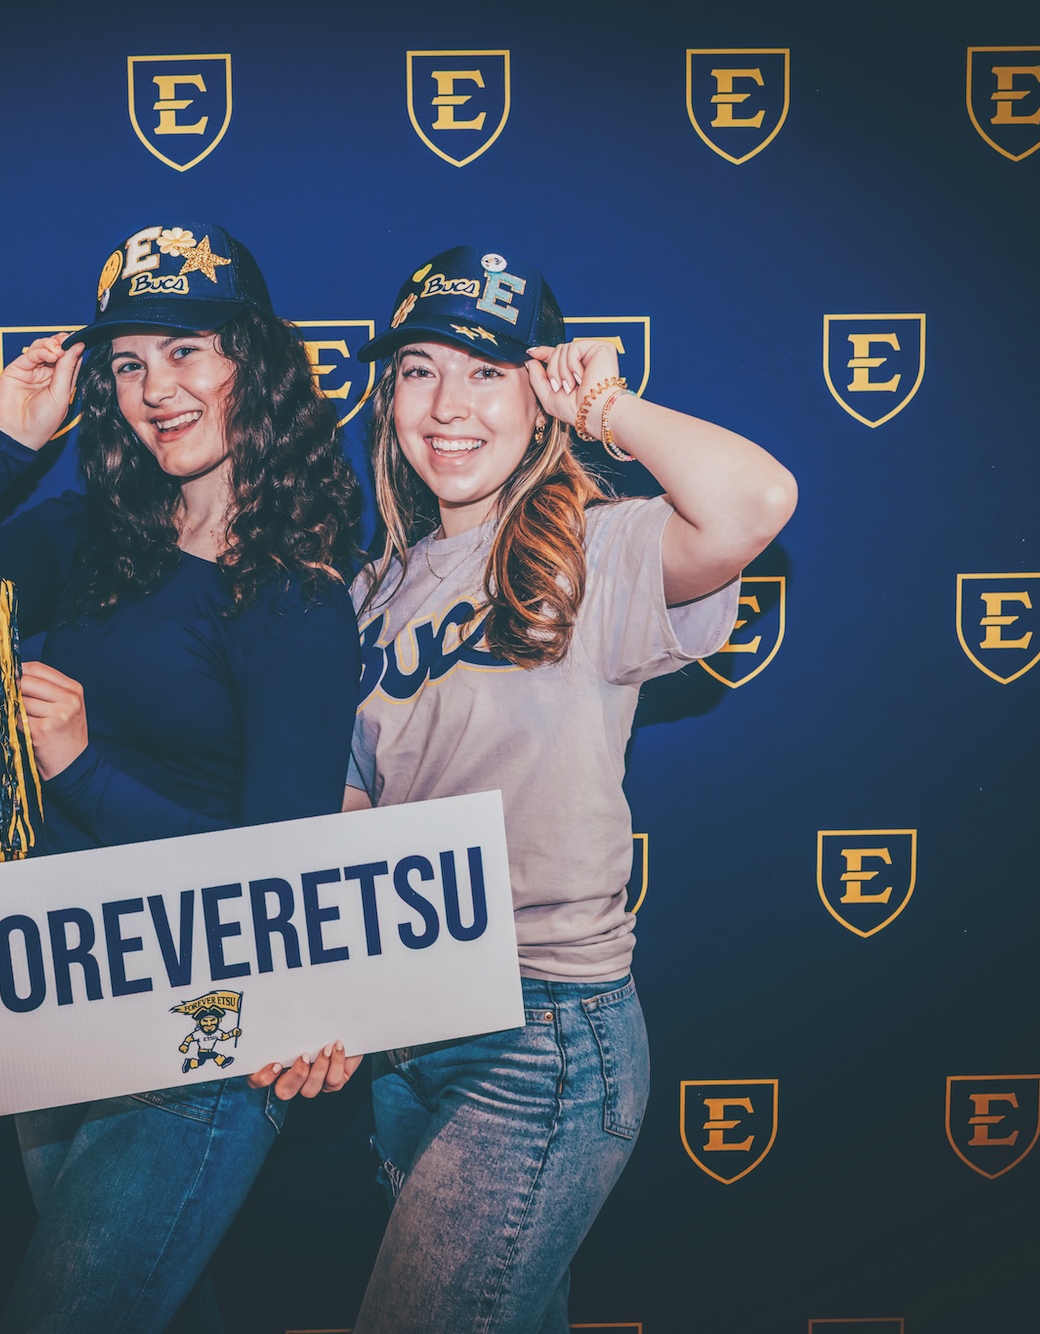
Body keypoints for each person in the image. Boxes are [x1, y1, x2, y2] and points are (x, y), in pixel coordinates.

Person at [0, 222, 364, 1334]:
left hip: (204, 1021)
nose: (155, 388)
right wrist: (0, 443)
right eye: (127, 362)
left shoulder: (294, 600)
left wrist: (78, 768)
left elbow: (280, 885)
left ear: (250, 364)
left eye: (186, 351)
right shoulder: (80, 537)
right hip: (61, 988)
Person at [342, 246, 797, 1333]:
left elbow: (756, 498)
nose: (446, 405)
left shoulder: (587, 548)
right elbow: (355, 813)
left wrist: (606, 406)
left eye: (486, 372)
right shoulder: (371, 589)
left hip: (537, 1028)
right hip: (406, 1027)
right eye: (417, 370)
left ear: (536, 395)